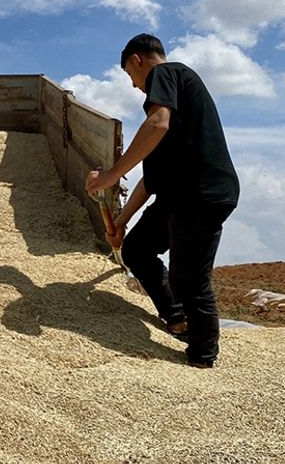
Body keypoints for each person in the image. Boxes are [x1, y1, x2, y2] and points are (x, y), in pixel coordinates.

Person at [85, 34, 239, 369]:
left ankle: (202, 356)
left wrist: (110, 175)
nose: (135, 85)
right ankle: (177, 319)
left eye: (130, 75)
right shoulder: (171, 123)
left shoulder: (167, 74)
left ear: (139, 60)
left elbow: (157, 122)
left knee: (189, 279)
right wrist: (121, 224)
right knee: (137, 250)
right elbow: (149, 182)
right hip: (178, 195)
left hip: (202, 193)